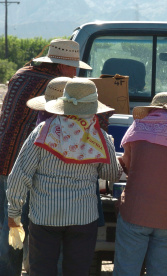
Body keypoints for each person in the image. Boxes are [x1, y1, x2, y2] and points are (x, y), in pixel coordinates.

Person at [6, 78, 123, 276]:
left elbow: (19, 175)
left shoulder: (42, 131)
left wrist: (14, 213)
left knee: (41, 270)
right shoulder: (100, 137)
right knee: (77, 271)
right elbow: (111, 174)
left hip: (44, 216)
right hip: (83, 217)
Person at [0, 38, 92, 276]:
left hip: (4, 160)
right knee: (32, 228)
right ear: (61, 66)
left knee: (9, 224)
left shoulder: (22, 74)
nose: (76, 72)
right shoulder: (54, 86)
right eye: (73, 67)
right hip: (29, 166)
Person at [113, 92, 167, 276]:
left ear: (152, 109)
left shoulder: (137, 128)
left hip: (135, 211)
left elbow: (127, 164)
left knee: (126, 271)